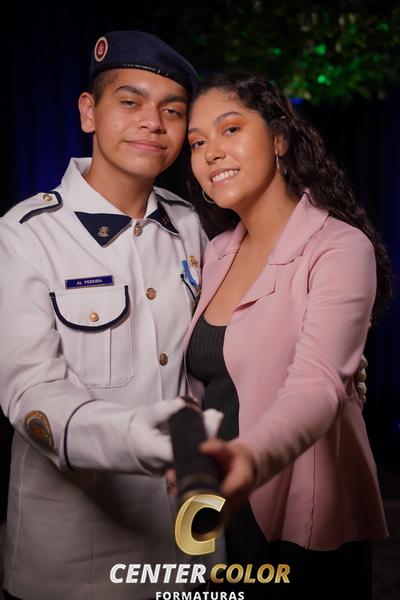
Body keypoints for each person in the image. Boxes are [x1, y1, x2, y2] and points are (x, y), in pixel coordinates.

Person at [0, 31, 222, 600]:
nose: (153, 122)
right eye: (130, 101)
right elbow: (30, 391)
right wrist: (133, 439)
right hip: (76, 557)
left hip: (191, 536)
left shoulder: (194, 224)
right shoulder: (26, 235)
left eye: (173, 111)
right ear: (88, 112)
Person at [184, 71, 391, 599]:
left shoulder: (339, 248)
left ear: (279, 139)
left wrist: (249, 457)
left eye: (231, 129)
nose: (211, 152)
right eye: (197, 142)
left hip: (301, 518)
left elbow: (317, 384)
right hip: (218, 510)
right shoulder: (217, 253)